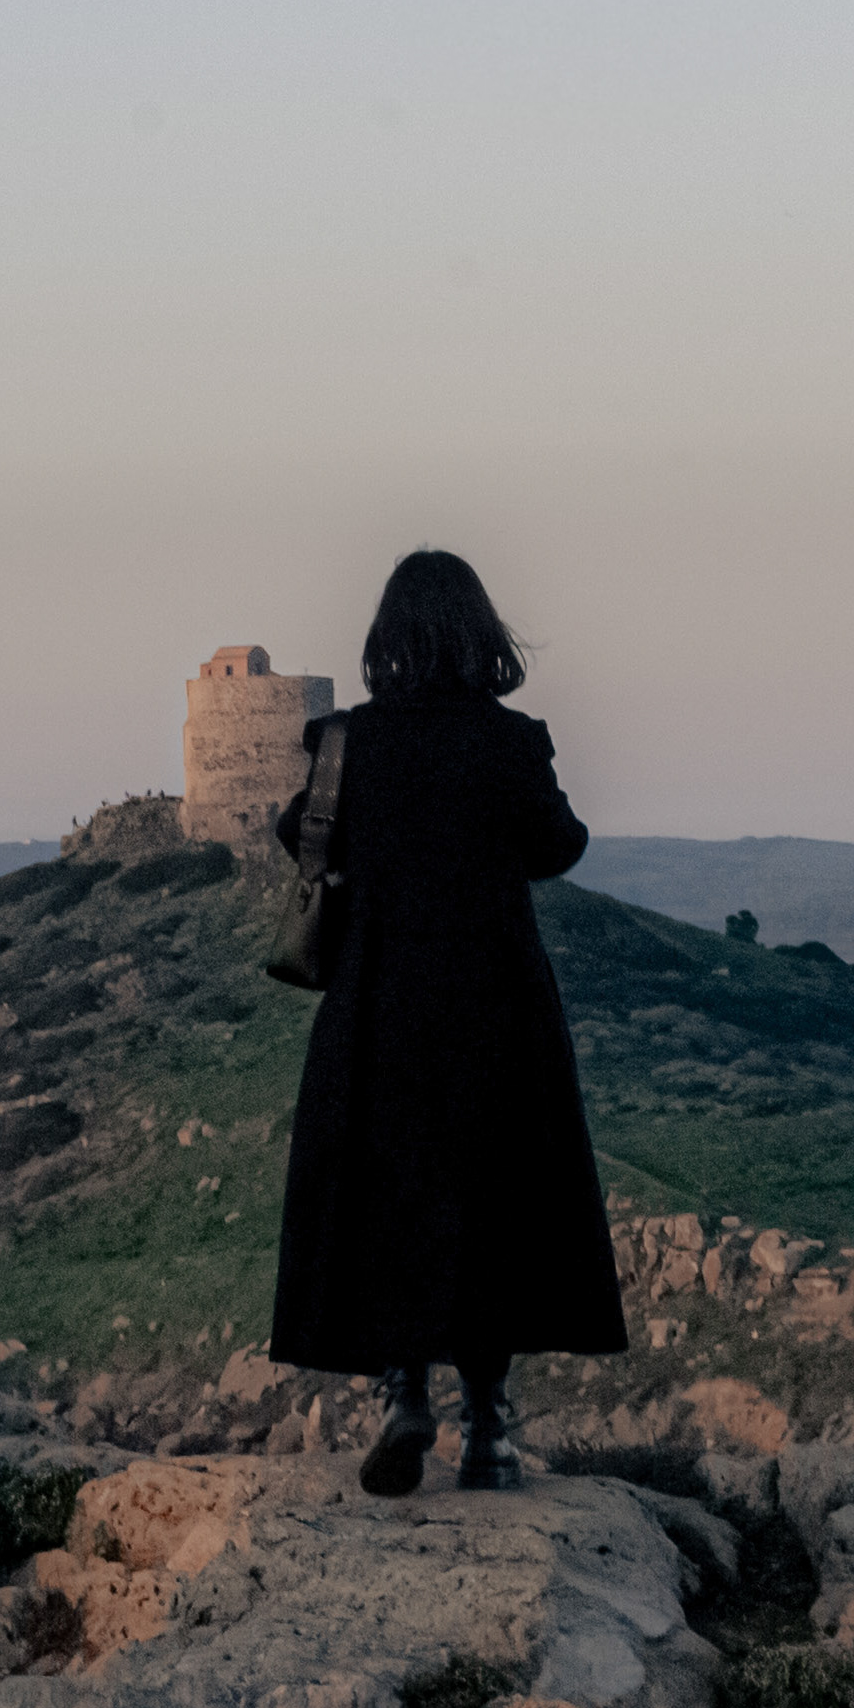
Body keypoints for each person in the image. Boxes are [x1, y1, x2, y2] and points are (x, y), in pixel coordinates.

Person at [270, 549, 625, 1495]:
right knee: (495, 1199)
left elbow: (299, 832)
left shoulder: (347, 742)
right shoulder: (508, 742)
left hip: (378, 1002)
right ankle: (489, 1430)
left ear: (387, 637)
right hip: (494, 1004)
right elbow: (558, 844)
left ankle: (403, 1394)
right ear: (480, 635)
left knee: (389, 1193)